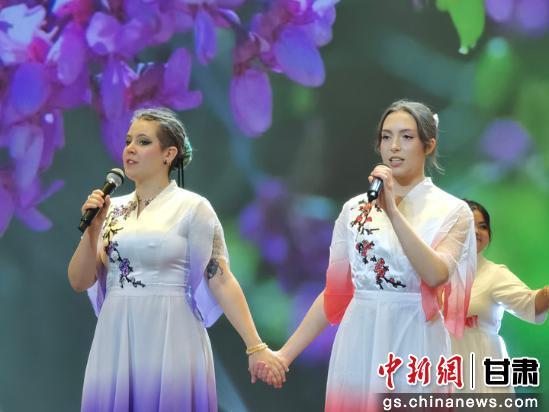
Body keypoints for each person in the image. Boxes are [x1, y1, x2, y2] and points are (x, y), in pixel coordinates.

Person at [255, 100, 477, 409]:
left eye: (406, 137)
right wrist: (284, 355)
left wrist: (393, 213)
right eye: (386, 137)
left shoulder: (453, 212)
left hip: (415, 343)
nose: (394, 146)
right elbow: (334, 294)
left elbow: (437, 273)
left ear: (428, 145)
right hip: (359, 344)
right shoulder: (354, 210)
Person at [67, 107, 287, 412]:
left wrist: (256, 346)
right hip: (116, 334)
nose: (130, 148)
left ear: (169, 154)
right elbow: (79, 281)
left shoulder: (192, 208)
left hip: (172, 332)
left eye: (143, 142)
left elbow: (221, 277)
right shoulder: (110, 210)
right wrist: (92, 231)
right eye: (128, 141)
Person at [451, 200, 548, 393]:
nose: (477, 231)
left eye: (483, 226)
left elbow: (531, 303)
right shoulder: (432, 273)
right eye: (469, 224)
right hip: (442, 370)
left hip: (482, 370)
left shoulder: (494, 274)